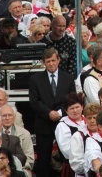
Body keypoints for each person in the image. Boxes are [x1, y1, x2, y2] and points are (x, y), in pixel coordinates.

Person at [28, 48, 76, 177]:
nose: (51, 64)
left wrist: (60, 113)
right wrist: (48, 113)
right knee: (43, 159)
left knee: (67, 156)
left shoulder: (68, 78)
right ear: (43, 62)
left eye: (53, 60)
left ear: (59, 60)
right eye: (48, 61)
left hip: (64, 122)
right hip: (44, 124)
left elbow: (71, 99)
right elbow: (34, 101)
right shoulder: (35, 79)